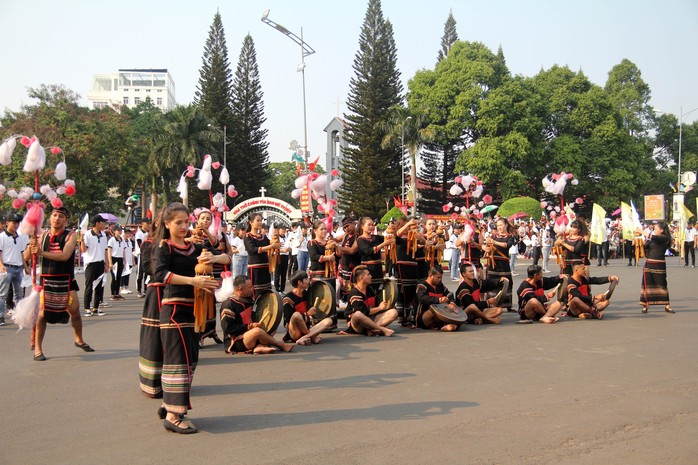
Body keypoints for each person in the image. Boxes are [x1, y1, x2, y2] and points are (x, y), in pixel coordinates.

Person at [152, 202, 229, 434]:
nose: (185, 226)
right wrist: (193, 281)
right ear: (167, 224)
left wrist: (211, 259)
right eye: (179, 223)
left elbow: (225, 257)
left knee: (191, 359)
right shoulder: (164, 247)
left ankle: (168, 404)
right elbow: (160, 274)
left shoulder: (193, 247)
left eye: (187, 222)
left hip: (193, 310)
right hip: (174, 309)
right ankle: (174, 415)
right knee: (178, 360)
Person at [24, 206, 94, 361]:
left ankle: (79, 339)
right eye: (54, 215)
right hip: (46, 280)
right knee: (42, 314)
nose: (57, 218)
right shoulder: (41, 235)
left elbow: (64, 256)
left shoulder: (71, 235)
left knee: (74, 311)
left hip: (66, 279)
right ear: (50, 218)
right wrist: (32, 244)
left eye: (61, 216)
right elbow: (27, 257)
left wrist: (41, 253)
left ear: (65, 220)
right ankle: (38, 349)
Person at [220, 275, 294, 354]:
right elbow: (228, 328)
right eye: (249, 287)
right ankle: (280, 345)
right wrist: (249, 326)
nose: (252, 289)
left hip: (252, 332)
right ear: (240, 289)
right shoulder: (228, 305)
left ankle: (259, 346)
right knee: (257, 332)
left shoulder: (248, 299)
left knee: (272, 327)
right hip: (237, 341)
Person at [138, 218, 164, 398]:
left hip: (179, 293)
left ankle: (174, 383)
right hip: (158, 292)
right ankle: (152, 382)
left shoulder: (182, 243)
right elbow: (148, 267)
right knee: (154, 337)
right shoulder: (149, 243)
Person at [341, 265, 396, 336]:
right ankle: (382, 329)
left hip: (370, 319)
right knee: (357, 314)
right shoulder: (354, 293)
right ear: (361, 278)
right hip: (358, 325)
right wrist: (379, 308)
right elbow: (363, 312)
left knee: (393, 312)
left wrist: (386, 305)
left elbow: (376, 306)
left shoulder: (370, 290)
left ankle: (373, 329)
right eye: (368, 274)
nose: (371, 276)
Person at [282, 271, 334, 345]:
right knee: (296, 315)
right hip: (295, 332)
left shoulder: (306, 294)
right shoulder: (288, 299)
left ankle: (304, 337)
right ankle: (311, 336)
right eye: (306, 279)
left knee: (329, 321)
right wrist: (308, 313)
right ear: (300, 282)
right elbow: (289, 318)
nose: (308, 280)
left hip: (307, 327)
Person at [0, 212, 29, 325]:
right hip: (7, 267)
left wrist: (26, 267)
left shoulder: (20, 237)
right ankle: (1, 316)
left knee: (19, 294)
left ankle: (20, 316)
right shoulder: (2, 237)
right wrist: (1, 265)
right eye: (13, 222)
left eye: (17, 223)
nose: (16, 225)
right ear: (7, 223)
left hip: (18, 268)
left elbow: (22, 253)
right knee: (3, 294)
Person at [639, 222, 673, 314]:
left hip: (659, 264)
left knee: (662, 284)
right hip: (649, 263)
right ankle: (645, 305)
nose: (654, 230)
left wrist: (642, 231)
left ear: (661, 230)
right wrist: (643, 242)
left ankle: (667, 305)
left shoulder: (665, 238)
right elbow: (646, 247)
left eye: (656, 229)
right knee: (646, 284)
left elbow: (654, 237)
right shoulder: (653, 239)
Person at [483, 218, 516, 311]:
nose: (499, 227)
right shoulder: (493, 235)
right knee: (492, 282)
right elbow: (487, 246)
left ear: (506, 225)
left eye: (501, 225)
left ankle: (507, 305)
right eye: (498, 226)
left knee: (507, 282)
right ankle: (490, 303)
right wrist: (487, 247)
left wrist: (494, 242)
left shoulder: (510, 236)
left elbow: (506, 245)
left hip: (504, 263)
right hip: (493, 263)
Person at [415, 266, 461, 331]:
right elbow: (422, 298)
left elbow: (449, 294)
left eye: (441, 277)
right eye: (438, 277)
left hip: (440, 313)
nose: (440, 279)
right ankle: (446, 325)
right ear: (431, 276)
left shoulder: (440, 286)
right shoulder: (422, 286)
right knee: (433, 311)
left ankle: (446, 326)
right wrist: (439, 300)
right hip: (425, 317)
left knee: (455, 311)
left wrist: (452, 303)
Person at [81, 214, 109, 316]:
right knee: (89, 286)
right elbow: (84, 250)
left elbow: (105, 250)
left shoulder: (104, 235)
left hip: (100, 263)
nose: (104, 224)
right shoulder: (88, 234)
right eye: (103, 222)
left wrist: (106, 263)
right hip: (90, 264)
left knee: (99, 287)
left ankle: (96, 308)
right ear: (97, 223)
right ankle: (87, 308)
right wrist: (82, 240)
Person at [244, 213, 279, 298]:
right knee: (256, 292)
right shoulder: (248, 236)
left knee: (266, 291)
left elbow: (270, 245)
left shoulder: (263, 236)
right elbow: (252, 250)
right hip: (255, 268)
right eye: (258, 220)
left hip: (265, 266)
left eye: (261, 221)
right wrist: (271, 246)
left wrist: (275, 241)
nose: (260, 223)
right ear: (251, 222)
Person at [357, 217, 392, 295]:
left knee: (379, 290)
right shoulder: (360, 240)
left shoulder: (376, 237)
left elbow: (388, 238)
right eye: (369, 225)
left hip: (378, 269)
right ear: (362, 226)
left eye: (372, 225)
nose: (371, 227)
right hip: (368, 269)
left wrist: (392, 231)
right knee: (369, 290)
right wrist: (383, 244)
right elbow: (368, 251)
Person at [307, 221, 336, 286]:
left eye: (325, 229)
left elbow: (336, 255)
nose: (324, 231)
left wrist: (336, 246)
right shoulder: (312, 243)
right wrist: (328, 258)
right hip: (318, 273)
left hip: (330, 273)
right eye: (321, 229)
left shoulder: (329, 242)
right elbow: (314, 256)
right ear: (315, 231)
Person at [107, 225, 128, 301]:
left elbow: (123, 251)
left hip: (120, 259)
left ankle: (117, 293)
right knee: (114, 277)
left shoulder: (122, 240)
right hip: (114, 259)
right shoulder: (111, 240)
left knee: (119, 277)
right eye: (118, 230)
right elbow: (109, 251)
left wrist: (125, 260)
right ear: (114, 231)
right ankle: (113, 294)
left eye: (120, 231)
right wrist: (110, 262)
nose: (120, 232)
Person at [135, 218, 151, 298]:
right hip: (141, 254)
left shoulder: (149, 233)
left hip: (148, 255)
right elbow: (139, 244)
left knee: (147, 272)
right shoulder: (139, 233)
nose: (148, 225)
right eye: (147, 223)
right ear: (143, 224)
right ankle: (139, 290)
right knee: (140, 273)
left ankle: (145, 289)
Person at [274, 224, 291, 293]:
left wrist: (289, 249)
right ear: (279, 230)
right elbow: (273, 248)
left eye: (285, 229)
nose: (284, 230)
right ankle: (277, 289)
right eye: (282, 229)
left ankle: (282, 289)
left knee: (284, 274)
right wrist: (282, 250)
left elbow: (290, 246)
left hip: (285, 256)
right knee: (278, 273)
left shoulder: (286, 237)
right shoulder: (276, 238)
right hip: (279, 256)